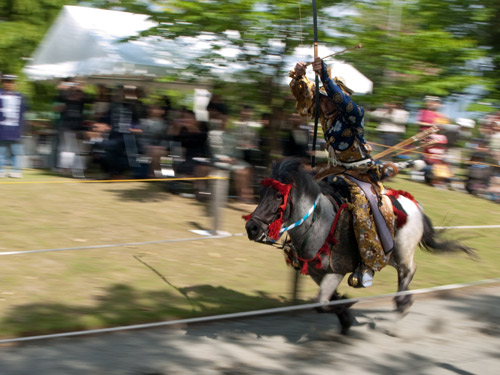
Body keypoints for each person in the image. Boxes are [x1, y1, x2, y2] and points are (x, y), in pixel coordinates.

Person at [289, 57, 396, 288]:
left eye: (330, 99)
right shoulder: (324, 117)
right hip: (334, 170)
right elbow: (304, 99)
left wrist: (325, 78)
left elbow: (342, 101)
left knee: (361, 209)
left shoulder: (353, 113)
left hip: (360, 174)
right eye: (323, 99)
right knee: (301, 193)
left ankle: (368, 265)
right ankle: (300, 247)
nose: (326, 104)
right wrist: (299, 76)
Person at [0, 74, 27, 178]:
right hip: (2, 129)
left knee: (17, 152)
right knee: (1, 152)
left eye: (11, 82)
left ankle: (16, 171)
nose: (8, 84)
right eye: (6, 82)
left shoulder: (20, 97)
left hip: (16, 130)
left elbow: (23, 113)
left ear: (15, 84)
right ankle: (1, 170)